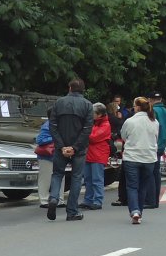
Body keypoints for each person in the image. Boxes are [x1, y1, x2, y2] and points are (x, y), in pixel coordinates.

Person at [46, 78, 92, 221]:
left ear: (70, 88)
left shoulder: (59, 102)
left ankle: (54, 198)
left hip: (61, 146)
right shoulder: (87, 105)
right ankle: (72, 211)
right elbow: (87, 129)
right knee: (77, 178)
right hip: (79, 148)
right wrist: (75, 147)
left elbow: (53, 126)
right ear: (83, 90)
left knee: (57, 174)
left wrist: (61, 146)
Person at [120, 96, 160, 224]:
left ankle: (135, 211)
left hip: (132, 157)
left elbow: (123, 136)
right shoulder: (154, 122)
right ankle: (139, 212)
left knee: (132, 186)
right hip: (149, 158)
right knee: (143, 186)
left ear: (137, 107)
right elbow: (156, 137)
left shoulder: (130, 121)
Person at [81, 102, 111, 209]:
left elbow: (93, 137)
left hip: (98, 155)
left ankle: (98, 201)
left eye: (93, 113)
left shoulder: (106, 125)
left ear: (99, 114)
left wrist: (85, 132)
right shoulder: (94, 123)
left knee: (97, 180)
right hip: (90, 154)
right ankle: (88, 200)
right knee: (88, 179)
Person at [35, 112, 66, 209]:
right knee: (47, 178)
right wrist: (56, 137)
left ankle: (55, 199)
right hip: (48, 156)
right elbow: (40, 140)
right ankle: (47, 200)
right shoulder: (48, 125)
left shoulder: (51, 124)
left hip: (52, 155)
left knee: (50, 178)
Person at [148, 91, 166, 208]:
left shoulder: (153, 111)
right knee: (156, 173)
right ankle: (155, 199)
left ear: (150, 100)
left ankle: (151, 199)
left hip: (153, 143)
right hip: (162, 143)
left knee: (150, 172)